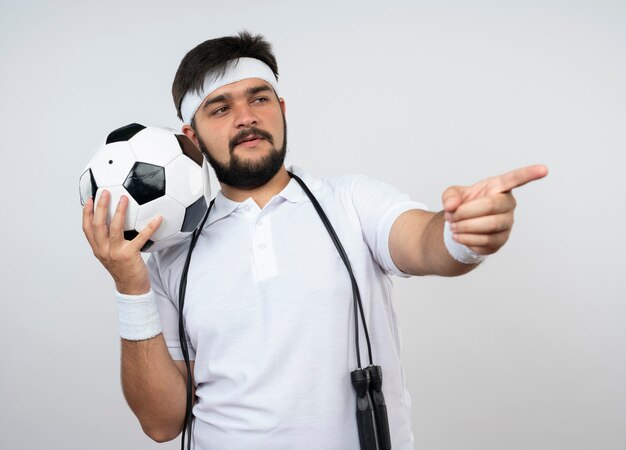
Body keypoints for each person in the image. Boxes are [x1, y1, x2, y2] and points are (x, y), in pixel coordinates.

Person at [82, 31, 548, 450]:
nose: (246, 117)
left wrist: (462, 233)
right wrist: (130, 284)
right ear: (192, 138)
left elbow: (425, 242)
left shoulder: (351, 201)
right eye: (220, 108)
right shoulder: (170, 255)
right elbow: (162, 424)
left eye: (259, 98)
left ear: (281, 109)